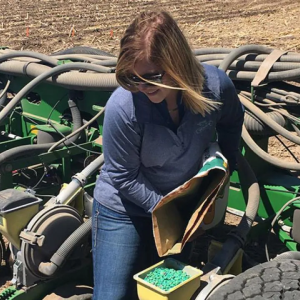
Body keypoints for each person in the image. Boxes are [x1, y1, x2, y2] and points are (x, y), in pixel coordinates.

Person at [92, 10, 244, 300]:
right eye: (132, 78)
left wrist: (225, 171)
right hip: (124, 210)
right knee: (112, 295)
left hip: (180, 207)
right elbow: (123, 175)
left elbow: (231, 123)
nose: (141, 88)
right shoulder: (124, 108)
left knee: (169, 293)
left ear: (178, 63)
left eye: (151, 78)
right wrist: (168, 211)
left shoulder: (215, 87)